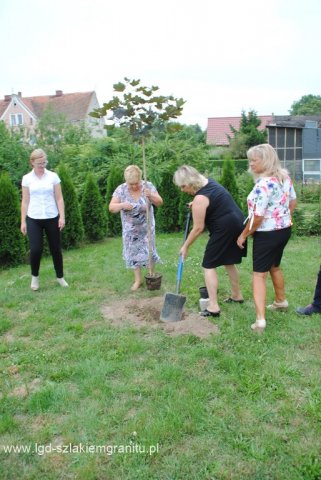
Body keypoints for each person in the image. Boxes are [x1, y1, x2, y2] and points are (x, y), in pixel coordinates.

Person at [237, 144, 297, 331]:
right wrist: (284, 218)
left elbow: (258, 217)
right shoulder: (284, 178)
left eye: (255, 160)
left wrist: (244, 234)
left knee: (259, 275)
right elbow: (292, 200)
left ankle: (260, 320)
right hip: (283, 230)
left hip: (267, 234)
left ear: (266, 160)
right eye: (250, 160)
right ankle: (281, 302)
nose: (251, 164)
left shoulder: (263, 185)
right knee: (274, 266)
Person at [173, 165, 246, 317]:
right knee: (228, 261)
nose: (182, 190)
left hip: (224, 228)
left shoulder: (200, 198)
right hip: (237, 222)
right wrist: (196, 204)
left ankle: (213, 307)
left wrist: (185, 246)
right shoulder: (209, 183)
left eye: (183, 186)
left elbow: (198, 228)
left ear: (190, 183)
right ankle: (237, 295)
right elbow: (212, 201)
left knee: (208, 264)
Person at [109, 165, 163, 291]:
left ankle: (151, 275)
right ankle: (138, 280)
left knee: (149, 250)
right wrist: (122, 205)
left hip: (147, 228)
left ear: (140, 178)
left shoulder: (148, 186)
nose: (133, 186)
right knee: (133, 254)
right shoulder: (121, 189)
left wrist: (151, 196)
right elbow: (111, 207)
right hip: (131, 230)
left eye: (136, 183)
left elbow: (160, 202)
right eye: (130, 184)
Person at [21, 149, 68, 291]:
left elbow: (59, 198)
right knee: (36, 249)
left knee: (55, 249)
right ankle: (35, 277)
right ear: (32, 162)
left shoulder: (53, 176)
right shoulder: (27, 178)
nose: (42, 165)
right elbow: (25, 201)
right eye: (39, 163)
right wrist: (23, 221)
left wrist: (62, 217)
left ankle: (60, 277)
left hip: (52, 217)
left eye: (44, 162)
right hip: (33, 218)